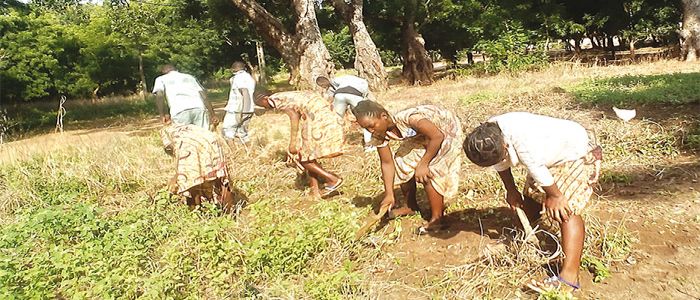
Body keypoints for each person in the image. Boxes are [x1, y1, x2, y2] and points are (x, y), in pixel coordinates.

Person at [463, 112, 602, 294]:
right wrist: (511, 190)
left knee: (566, 209)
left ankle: (569, 277)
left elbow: (536, 168)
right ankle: (523, 238)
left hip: (575, 151)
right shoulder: (488, 136)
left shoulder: (522, 142)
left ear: (505, 145)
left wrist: (556, 197)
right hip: (548, 152)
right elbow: (500, 163)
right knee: (531, 195)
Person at [351, 101, 463, 233]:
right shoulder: (378, 135)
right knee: (401, 162)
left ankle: (437, 220)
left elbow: (437, 137)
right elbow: (387, 163)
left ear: (384, 116)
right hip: (423, 135)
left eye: (371, 126)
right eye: (366, 128)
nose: (370, 131)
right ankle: (410, 206)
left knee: (429, 171)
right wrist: (389, 194)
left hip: (445, 129)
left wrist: (423, 164)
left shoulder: (409, 118)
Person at [256, 91, 345, 198]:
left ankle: (332, 179)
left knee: (303, 158)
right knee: (308, 155)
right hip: (323, 113)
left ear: (264, 99)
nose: (265, 108)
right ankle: (315, 191)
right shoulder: (282, 96)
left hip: (318, 116)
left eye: (262, 105)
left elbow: (294, 116)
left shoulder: (275, 101)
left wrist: (292, 143)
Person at [160, 124, 237, 211]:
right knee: (220, 178)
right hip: (213, 140)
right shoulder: (181, 129)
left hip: (190, 145)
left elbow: (175, 154)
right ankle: (231, 211)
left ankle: (195, 211)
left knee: (190, 182)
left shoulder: (171, 138)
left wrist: (177, 178)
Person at [316, 75, 374, 151]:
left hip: (339, 95)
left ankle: (333, 145)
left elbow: (335, 97)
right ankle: (368, 146)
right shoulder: (362, 82)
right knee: (365, 118)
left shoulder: (336, 81)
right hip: (355, 94)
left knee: (336, 120)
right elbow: (364, 97)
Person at [152, 64, 217, 129]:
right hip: (198, 108)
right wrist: (213, 114)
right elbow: (203, 95)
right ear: (176, 70)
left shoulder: (161, 79)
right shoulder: (190, 77)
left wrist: (162, 115)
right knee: (204, 136)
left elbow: (160, 96)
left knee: (183, 137)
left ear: (163, 72)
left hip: (179, 111)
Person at [222, 61, 256, 144]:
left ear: (233, 70)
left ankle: (232, 154)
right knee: (242, 134)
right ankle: (248, 153)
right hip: (249, 109)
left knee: (228, 131)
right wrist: (247, 110)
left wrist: (243, 111)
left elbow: (245, 92)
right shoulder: (249, 77)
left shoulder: (238, 78)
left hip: (237, 109)